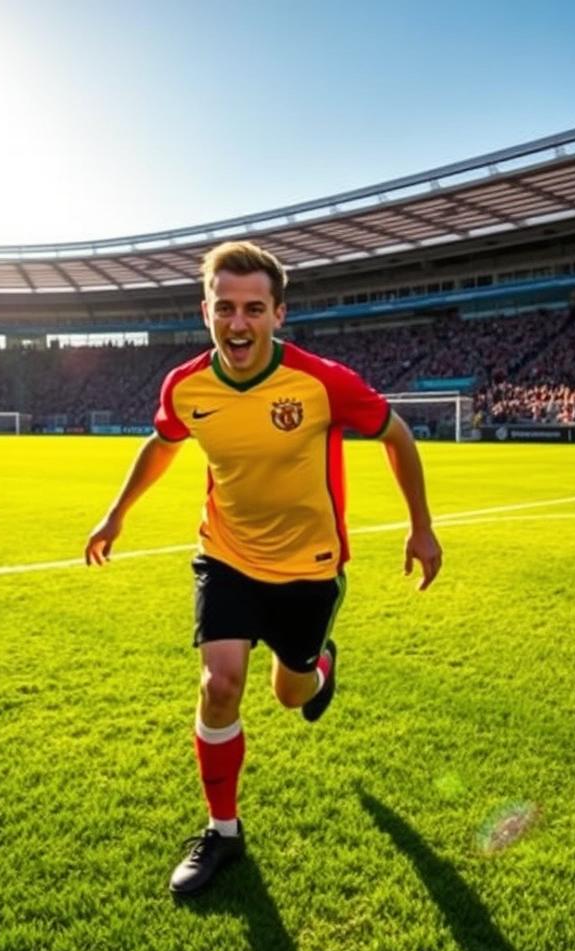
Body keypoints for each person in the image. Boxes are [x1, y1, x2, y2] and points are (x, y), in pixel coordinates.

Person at [84, 241, 442, 896]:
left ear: (279, 313)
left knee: (290, 693)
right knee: (220, 684)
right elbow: (162, 446)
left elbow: (396, 436)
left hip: (309, 568)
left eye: (254, 308)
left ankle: (320, 666)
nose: (238, 323)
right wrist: (116, 514)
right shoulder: (185, 386)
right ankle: (223, 831)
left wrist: (421, 526)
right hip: (225, 556)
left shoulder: (321, 381)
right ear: (206, 311)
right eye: (225, 307)